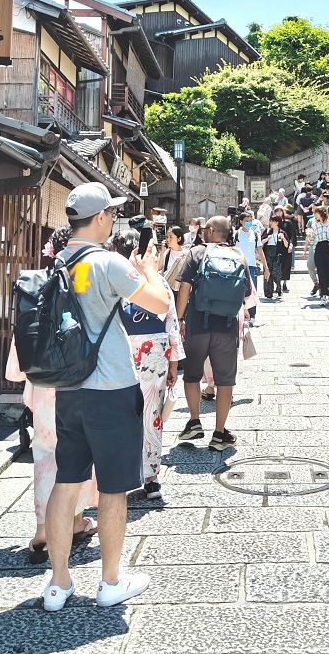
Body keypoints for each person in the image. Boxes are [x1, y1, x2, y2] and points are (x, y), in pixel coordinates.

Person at [42, 182, 172, 612]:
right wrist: (150, 268)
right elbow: (158, 305)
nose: (113, 220)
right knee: (113, 489)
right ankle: (110, 581)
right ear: (99, 219)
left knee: (67, 480)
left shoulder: (59, 261)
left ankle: (58, 584)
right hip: (111, 386)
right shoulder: (108, 262)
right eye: (111, 214)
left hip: (69, 388)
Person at [4, 339, 97, 565]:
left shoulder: (40, 299)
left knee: (46, 456)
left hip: (45, 376)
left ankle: (44, 529)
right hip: (80, 374)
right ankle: (74, 521)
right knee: (81, 451)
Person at [107, 229, 185, 500]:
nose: (155, 252)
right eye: (151, 247)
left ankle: (139, 474)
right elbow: (170, 318)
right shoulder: (151, 281)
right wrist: (173, 360)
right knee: (142, 414)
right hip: (144, 350)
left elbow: (171, 320)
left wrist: (173, 362)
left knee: (136, 413)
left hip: (134, 351)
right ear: (136, 251)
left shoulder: (116, 280)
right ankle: (144, 476)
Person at [175, 215, 254, 451]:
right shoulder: (238, 255)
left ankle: (194, 421)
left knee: (191, 374)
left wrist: (179, 319)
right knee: (225, 380)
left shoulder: (197, 252)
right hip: (227, 327)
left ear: (209, 231)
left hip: (198, 324)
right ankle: (220, 433)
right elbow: (247, 293)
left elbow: (185, 289)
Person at [236, 209, 266, 325]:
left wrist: (266, 267)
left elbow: (260, 250)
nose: (249, 222)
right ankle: (242, 316)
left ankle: (253, 317)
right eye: (246, 220)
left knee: (252, 292)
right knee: (240, 291)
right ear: (241, 222)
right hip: (239, 266)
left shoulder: (255, 234)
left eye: (250, 220)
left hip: (252, 266)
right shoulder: (236, 233)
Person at [261, 213, 291, 299]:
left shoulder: (282, 232)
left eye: (272, 221)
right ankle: (268, 292)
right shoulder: (267, 231)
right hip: (268, 252)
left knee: (276, 272)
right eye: (270, 221)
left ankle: (278, 287)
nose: (271, 223)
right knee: (267, 272)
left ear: (277, 222)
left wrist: (284, 238)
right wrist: (267, 239)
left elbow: (286, 245)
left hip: (277, 253)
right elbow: (261, 242)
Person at [275, 206, 297, 295]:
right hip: (277, 246)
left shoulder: (287, 222)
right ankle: (278, 284)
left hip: (286, 246)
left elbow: (292, 235)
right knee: (277, 266)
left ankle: (284, 283)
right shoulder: (274, 223)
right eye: (277, 212)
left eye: (280, 211)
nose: (279, 213)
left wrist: (291, 245)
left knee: (286, 266)